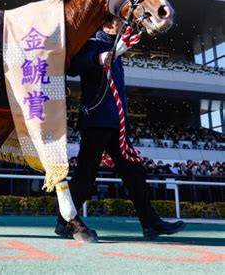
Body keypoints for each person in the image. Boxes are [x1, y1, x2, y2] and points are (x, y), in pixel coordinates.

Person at [57, 16, 185, 240]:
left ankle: (150, 223)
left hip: (114, 123)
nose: (124, 25)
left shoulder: (116, 47)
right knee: (86, 174)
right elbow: (74, 67)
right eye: (119, 21)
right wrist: (99, 58)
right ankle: (64, 221)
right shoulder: (92, 43)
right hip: (96, 120)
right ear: (107, 24)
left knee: (134, 173)